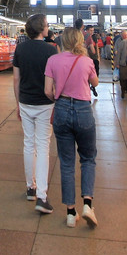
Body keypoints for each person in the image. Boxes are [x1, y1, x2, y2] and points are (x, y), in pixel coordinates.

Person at [45, 27, 99, 228]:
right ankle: (87, 204)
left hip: (61, 109)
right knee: (87, 158)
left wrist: (59, 96)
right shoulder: (87, 61)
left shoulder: (53, 61)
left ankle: (70, 213)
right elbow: (95, 83)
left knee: (66, 162)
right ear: (79, 40)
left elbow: (47, 91)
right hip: (83, 110)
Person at [13, 13, 57, 214]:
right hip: (44, 104)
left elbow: (16, 79)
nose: (48, 28)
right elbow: (54, 80)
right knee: (43, 147)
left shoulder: (20, 49)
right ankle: (42, 196)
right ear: (41, 28)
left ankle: (30, 188)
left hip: (25, 102)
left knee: (28, 144)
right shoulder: (51, 50)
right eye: (46, 25)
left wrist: (17, 103)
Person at [83, 24, 99, 98]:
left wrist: (98, 57)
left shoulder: (94, 37)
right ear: (86, 30)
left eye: (93, 30)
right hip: (86, 58)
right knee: (87, 74)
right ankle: (87, 88)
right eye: (90, 30)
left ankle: (93, 86)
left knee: (95, 73)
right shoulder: (84, 37)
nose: (92, 32)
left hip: (94, 58)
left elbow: (96, 47)